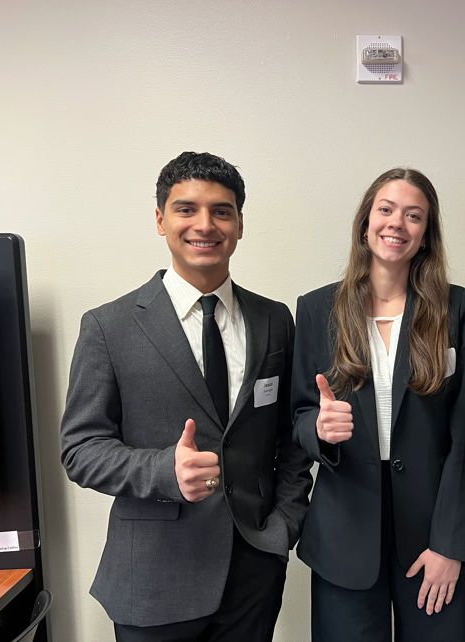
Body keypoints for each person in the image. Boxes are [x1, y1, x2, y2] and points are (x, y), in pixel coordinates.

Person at [60, 152, 312, 642]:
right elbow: (80, 450)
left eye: (221, 211)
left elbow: (290, 436)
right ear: (160, 220)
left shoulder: (274, 320)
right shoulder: (108, 326)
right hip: (153, 579)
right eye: (186, 209)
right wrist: (163, 471)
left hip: (253, 571)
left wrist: (284, 527)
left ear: (240, 224)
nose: (205, 224)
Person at [291, 168, 465, 641]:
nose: (396, 223)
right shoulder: (317, 308)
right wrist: (319, 429)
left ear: (425, 236)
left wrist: (451, 544)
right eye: (385, 210)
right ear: (366, 223)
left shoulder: (455, 307)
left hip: (434, 534)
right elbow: (298, 417)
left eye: (413, 215)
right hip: (344, 532)